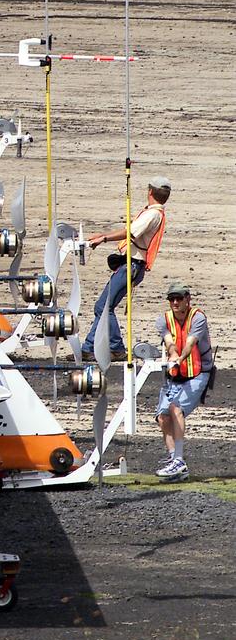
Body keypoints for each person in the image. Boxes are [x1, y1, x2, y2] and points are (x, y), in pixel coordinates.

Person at [81, 176, 170, 360]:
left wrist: (103, 237)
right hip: (131, 265)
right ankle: (89, 348)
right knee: (104, 307)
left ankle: (116, 348)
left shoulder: (152, 214)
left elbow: (130, 232)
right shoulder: (155, 213)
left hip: (132, 265)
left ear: (150, 191)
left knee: (103, 307)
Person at [153, 282, 213, 482]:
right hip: (175, 374)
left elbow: (190, 343)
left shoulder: (198, 318)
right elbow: (170, 342)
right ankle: (176, 463)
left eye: (179, 298)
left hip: (198, 372)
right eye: (172, 299)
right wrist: (173, 355)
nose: (175, 302)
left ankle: (178, 460)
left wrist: (180, 357)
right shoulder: (163, 320)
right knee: (163, 417)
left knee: (175, 409)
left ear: (188, 299)